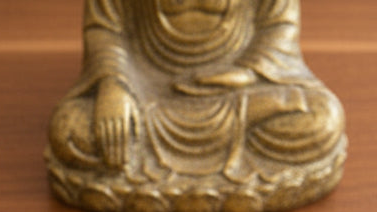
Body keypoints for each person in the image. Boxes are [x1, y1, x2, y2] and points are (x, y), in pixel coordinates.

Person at [48, 0, 345, 189]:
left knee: (321, 117)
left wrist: (249, 71)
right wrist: (113, 85)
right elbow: (106, 30)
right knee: (70, 129)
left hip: (240, 93)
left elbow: (280, 26)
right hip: (146, 100)